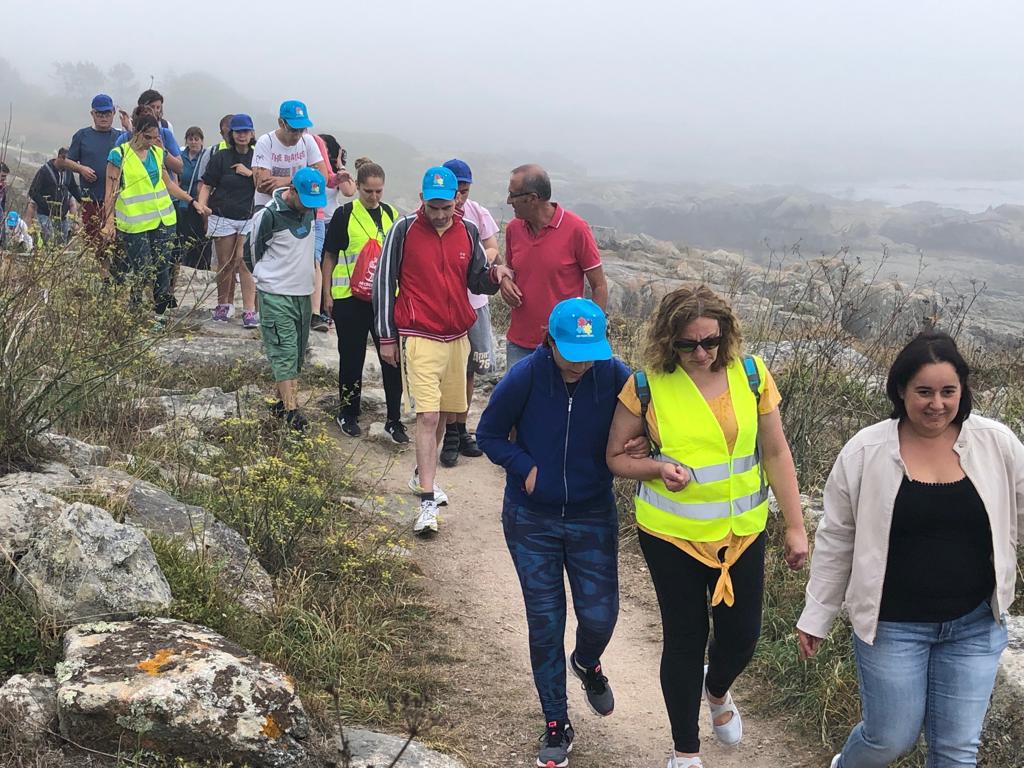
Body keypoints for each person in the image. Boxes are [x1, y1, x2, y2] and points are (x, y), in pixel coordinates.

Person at [796, 330, 1023, 768]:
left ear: (962, 391)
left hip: (975, 623)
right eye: (924, 392)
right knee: (889, 738)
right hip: (893, 626)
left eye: (948, 391)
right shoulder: (865, 451)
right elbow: (837, 537)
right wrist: (817, 615)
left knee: (957, 750)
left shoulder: (996, 443)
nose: (937, 404)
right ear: (901, 390)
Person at [605, 285, 808, 768]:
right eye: (688, 344)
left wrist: (795, 526)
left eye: (711, 341)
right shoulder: (646, 386)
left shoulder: (753, 375)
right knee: (684, 638)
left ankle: (715, 690)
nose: (701, 353)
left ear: (726, 334)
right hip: (671, 536)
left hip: (742, 532)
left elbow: (776, 451)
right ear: (668, 340)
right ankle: (685, 753)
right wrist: (656, 468)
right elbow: (615, 457)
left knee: (742, 638)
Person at [477, 298, 629, 768]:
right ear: (550, 341)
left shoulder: (615, 376)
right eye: (572, 354)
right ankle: (556, 722)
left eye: (590, 353)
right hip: (531, 518)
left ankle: (586, 662)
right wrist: (525, 468)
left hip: (592, 512)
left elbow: (645, 423)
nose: (582, 364)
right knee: (545, 622)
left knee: (600, 616)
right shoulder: (525, 376)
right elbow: (488, 434)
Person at [373, 166, 516, 535]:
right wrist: (386, 337)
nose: (439, 214)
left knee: (442, 414)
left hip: (457, 337)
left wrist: (496, 275)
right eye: (433, 206)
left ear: (457, 201)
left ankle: (422, 474)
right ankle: (426, 501)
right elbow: (384, 283)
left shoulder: (467, 231)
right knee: (428, 416)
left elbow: (476, 279)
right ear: (422, 199)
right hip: (418, 334)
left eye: (446, 207)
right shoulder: (403, 229)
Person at [322, 158, 405, 442]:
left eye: (379, 191)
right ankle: (348, 413)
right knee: (351, 357)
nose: (374, 197)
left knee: (392, 360)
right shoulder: (345, 214)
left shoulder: (392, 214)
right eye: (368, 191)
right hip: (350, 299)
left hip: (384, 300)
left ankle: (394, 419)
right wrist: (327, 293)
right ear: (357, 187)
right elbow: (330, 255)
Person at [101, 112, 210, 325]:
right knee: (142, 268)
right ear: (136, 132)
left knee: (162, 268)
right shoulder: (119, 155)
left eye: (155, 137)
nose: (151, 142)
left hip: (164, 219)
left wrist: (192, 201)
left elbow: (168, 184)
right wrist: (109, 220)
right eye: (147, 137)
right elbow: (110, 192)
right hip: (135, 222)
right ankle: (135, 309)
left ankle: (160, 316)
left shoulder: (157, 153)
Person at [501, 164, 609, 370]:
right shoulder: (514, 229)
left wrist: (590, 336)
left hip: (564, 346)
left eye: (513, 195)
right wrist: (505, 281)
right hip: (519, 343)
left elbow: (599, 286)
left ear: (532, 198)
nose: (508, 201)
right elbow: (512, 269)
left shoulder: (576, 229)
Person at [244, 167, 326, 431]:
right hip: (276, 293)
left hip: (302, 293)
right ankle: (292, 411)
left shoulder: (310, 210)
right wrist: (267, 277)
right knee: (283, 350)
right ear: (292, 190)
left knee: (297, 354)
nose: (309, 207)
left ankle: (281, 403)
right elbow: (251, 252)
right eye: (305, 200)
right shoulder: (268, 215)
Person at [438, 158, 500, 468]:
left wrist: (476, 260)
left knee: (470, 370)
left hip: (474, 303)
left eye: (465, 191)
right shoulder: (437, 212)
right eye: (456, 191)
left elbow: (492, 247)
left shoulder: (478, 213)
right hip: (444, 304)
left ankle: (461, 428)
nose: (460, 197)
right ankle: (449, 432)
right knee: (448, 369)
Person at [198, 114, 258, 326]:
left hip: (248, 215)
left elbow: (264, 183)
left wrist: (249, 173)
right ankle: (224, 304)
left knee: (244, 261)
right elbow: (207, 184)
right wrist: (202, 205)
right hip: (222, 214)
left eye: (245, 131)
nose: (242, 135)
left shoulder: (258, 157)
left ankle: (249, 310)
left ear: (252, 133)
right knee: (225, 262)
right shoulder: (221, 157)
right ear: (231, 134)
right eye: (238, 131)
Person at [65, 94, 122, 249]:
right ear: (92, 114)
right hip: (91, 199)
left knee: (117, 245)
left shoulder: (119, 137)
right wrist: (81, 168)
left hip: (117, 200)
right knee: (94, 243)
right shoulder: (82, 135)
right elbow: (67, 161)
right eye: (99, 114)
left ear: (113, 113)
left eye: (107, 113)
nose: (104, 117)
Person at [314, 133, 356, 331]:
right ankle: (317, 308)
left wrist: (339, 164)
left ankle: (326, 308)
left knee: (328, 266)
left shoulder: (333, 171)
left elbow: (349, 191)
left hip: (332, 222)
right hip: (315, 220)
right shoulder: (314, 167)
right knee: (316, 265)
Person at [26, 147, 82, 245]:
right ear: (61, 157)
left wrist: (83, 201)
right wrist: (46, 205)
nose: (70, 165)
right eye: (68, 162)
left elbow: (73, 188)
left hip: (62, 216)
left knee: (62, 243)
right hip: (45, 214)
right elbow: (33, 191)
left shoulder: (68, 172)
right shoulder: (44, 171)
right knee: (49, 239)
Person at [176, 127, 212, 270]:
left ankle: (203, 265)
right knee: (184, 235)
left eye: (196, 139)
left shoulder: (206, 156)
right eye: (190, 139)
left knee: (201, 234)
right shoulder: (180, 156)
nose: (193, 142)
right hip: (183, 201)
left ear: (202, 141)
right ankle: (185, 264)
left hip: (200, 201)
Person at [116, 104, 184, 177]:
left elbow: (180, 168)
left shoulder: (165, 134)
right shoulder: (124, 139)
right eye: (147, 136)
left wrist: (163, 151)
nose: (151, 141)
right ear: (136, 128)